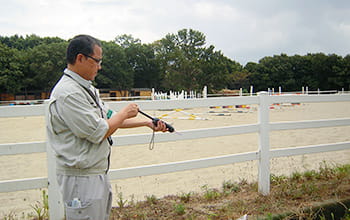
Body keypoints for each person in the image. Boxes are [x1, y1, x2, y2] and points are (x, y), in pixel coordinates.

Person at [46, 34, 168, 220]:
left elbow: (110, 120)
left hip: (95, 173)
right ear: (80, 58)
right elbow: (99, 131)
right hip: (81, 178)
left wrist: (146, 123)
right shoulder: (69, 94)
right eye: (97, 61)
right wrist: (124, 113)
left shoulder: (86, 89)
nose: (100, 67)